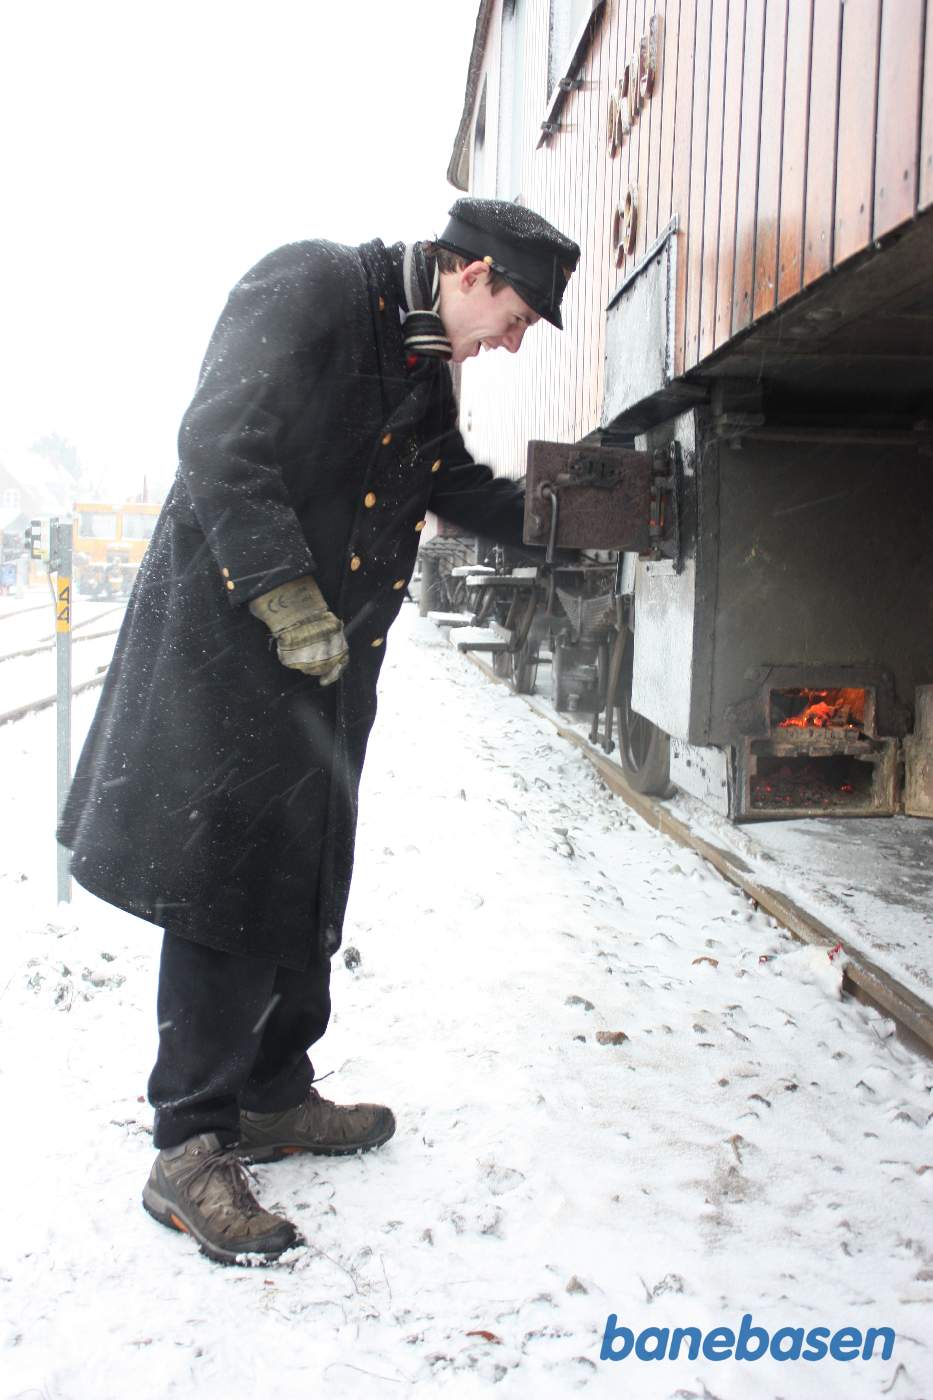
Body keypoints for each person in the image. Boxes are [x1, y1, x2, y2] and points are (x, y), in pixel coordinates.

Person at [58, 198, 580, 1265]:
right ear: (473, 273)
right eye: (519, 317)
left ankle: (271, 1094)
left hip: (327, 671)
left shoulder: (422, 365)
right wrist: (285, 593)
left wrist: (567, 519)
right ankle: (187, 1142)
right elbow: (219, 438)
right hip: (234, 648)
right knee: (225, 884)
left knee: (304, 873)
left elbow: (451, 484)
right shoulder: (311, 286)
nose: (515, 342)